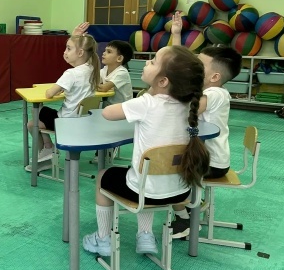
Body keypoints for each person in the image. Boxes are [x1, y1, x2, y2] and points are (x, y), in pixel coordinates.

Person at [83, 45, 210, 256]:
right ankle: (145, 235)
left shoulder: (146, 103)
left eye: (153, 61)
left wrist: (150, 92)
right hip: (180, 192)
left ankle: (103, 238)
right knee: (146, 175)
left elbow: (107, 113)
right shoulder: (188, 106)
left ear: (163, 81)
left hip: (144, 192)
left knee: (104, 176)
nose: (146, 62)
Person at [169, 11, 243, 237]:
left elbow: (190, 110)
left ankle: (185, 218)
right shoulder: (209, 88)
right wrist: (176, 35)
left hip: (212, 163)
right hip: (206, 158)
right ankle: (192, 203)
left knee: (164, 171)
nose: (192, 67)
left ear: (214, 77)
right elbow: (179, 63)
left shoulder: (216, 93)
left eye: (199, 65)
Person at [26, 22, 100, 172]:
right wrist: (76, 36)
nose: (65, 52)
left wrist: (56, 90)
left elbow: (49, 93)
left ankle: (48, 149)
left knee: (33, 119)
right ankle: (48, 150)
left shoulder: (71, 74)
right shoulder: (92, 69)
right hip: (85, 123)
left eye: (68, 49)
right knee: (43, 114)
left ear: (80, 53)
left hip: (67, 123)